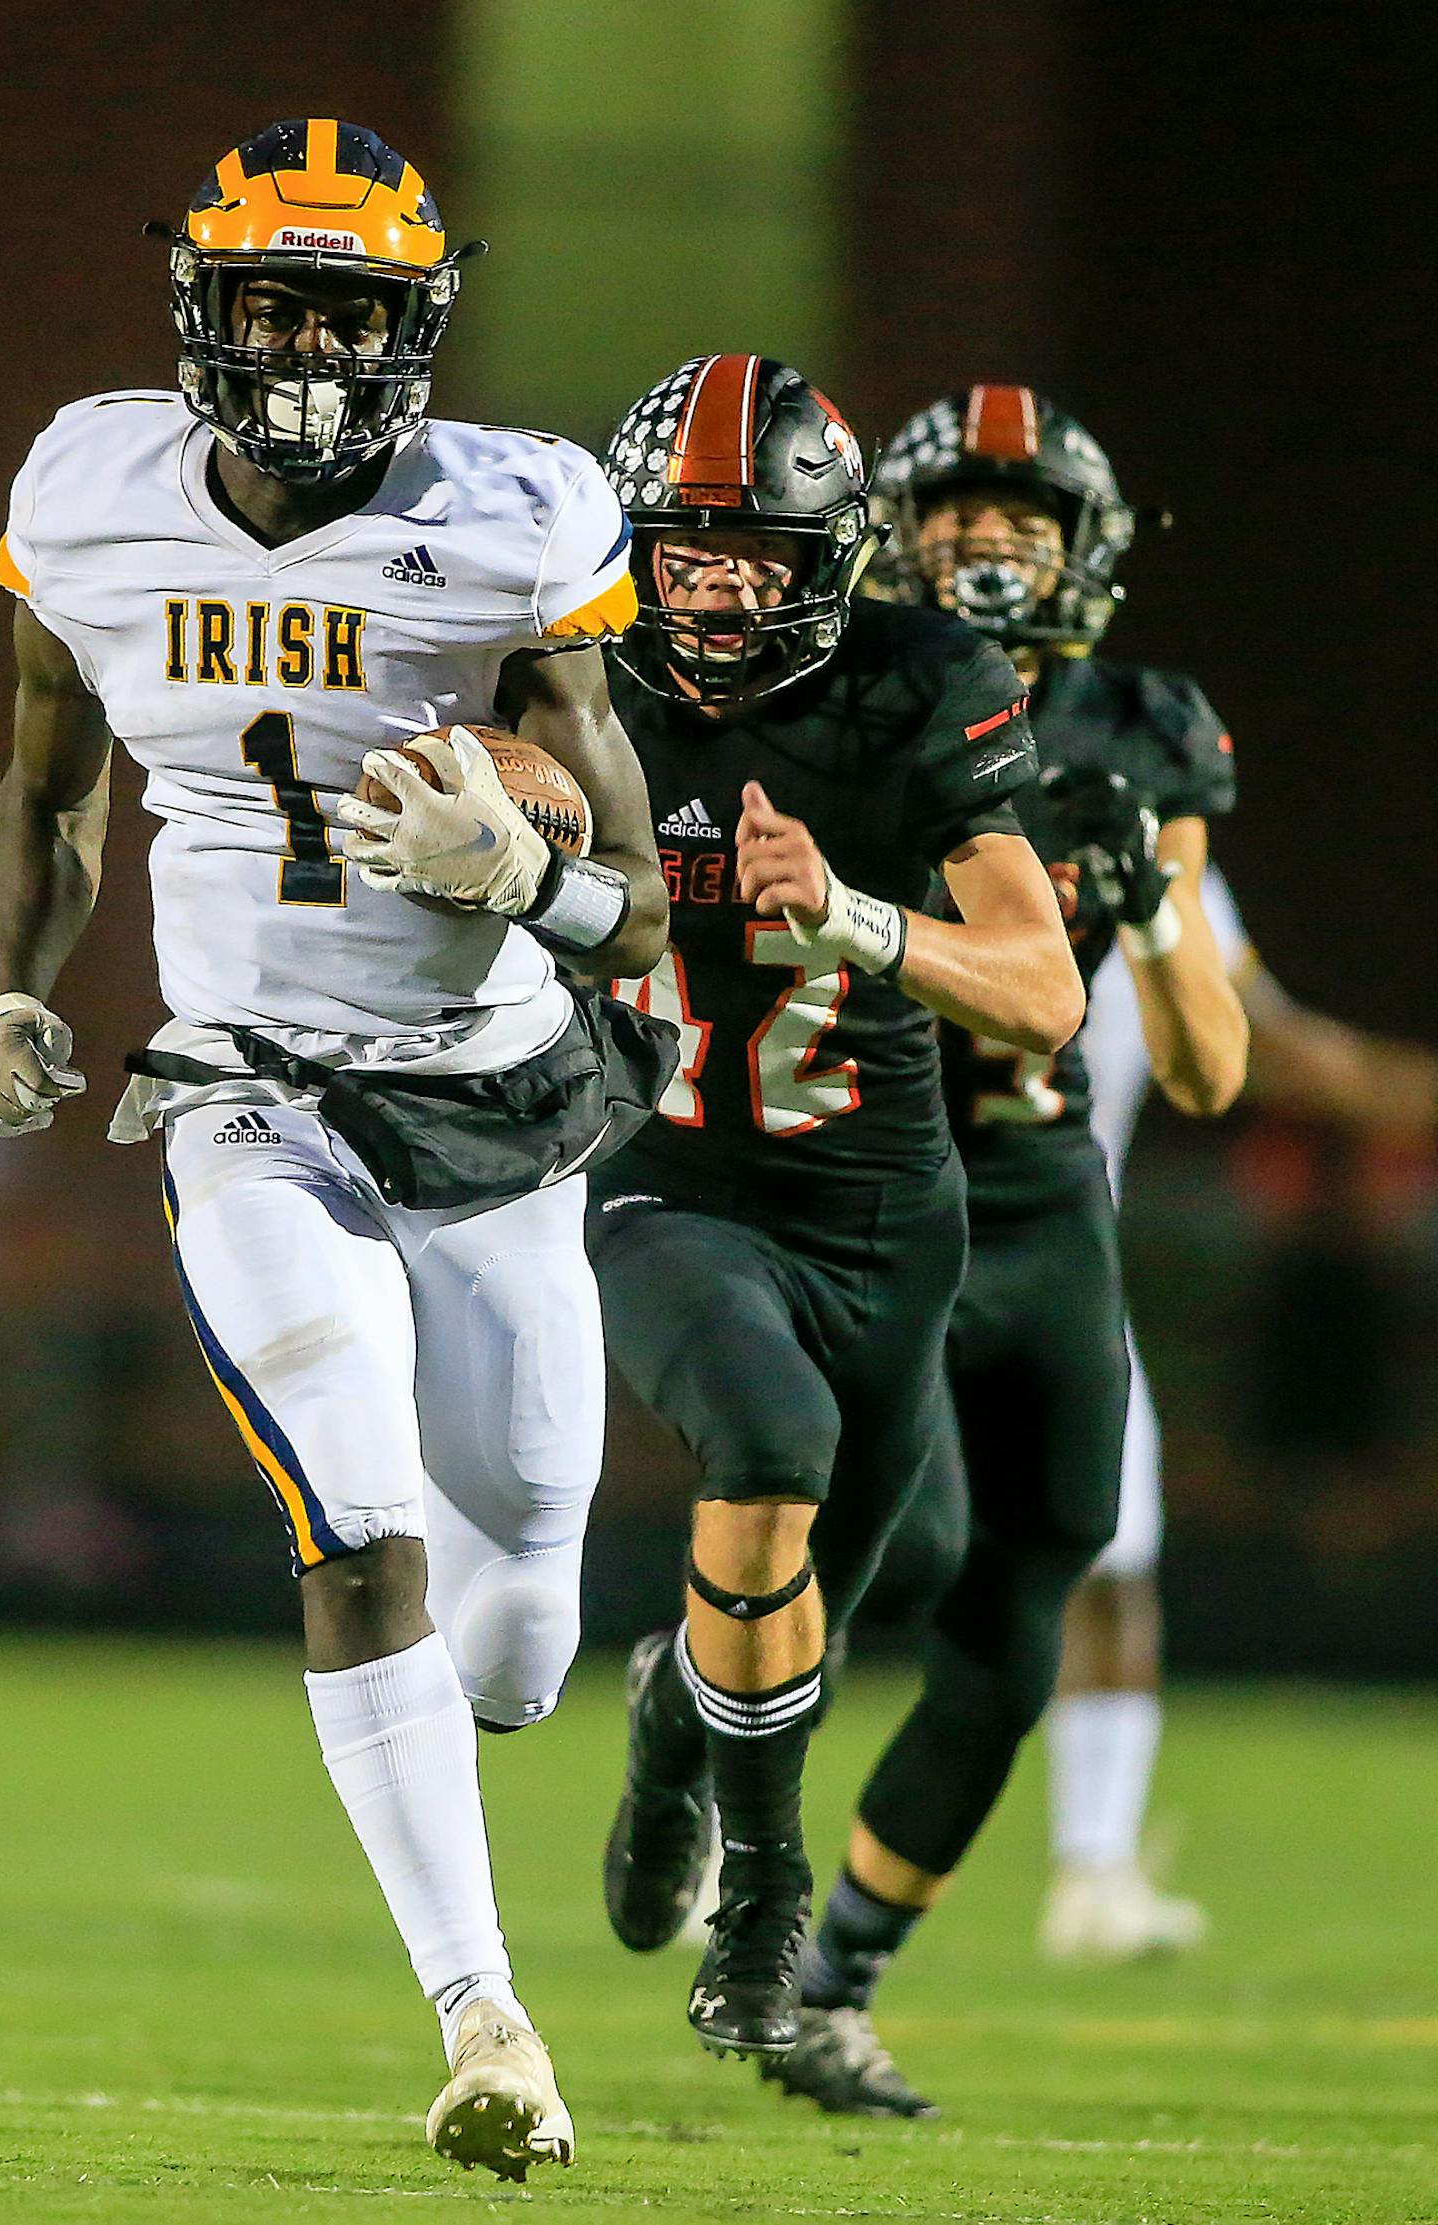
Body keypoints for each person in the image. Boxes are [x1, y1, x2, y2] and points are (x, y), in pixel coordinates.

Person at [0, 118, 668, 2181]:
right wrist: (2, 987)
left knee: (520, 1615)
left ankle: (565, 1697)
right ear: (201, 305)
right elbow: (51, 785)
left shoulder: (521, 516)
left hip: (501, 1097)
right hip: (252, 1087)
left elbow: (635, 884)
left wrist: (519, 869)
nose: (303, 346)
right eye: (273, 298)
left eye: (348, 310)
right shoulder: (89, 494)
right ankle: (487, 2013)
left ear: (419, 329)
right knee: (356, 1521)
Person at [740, 384, 1249, 2114]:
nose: (989, 545)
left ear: (1084, 551)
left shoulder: (1141, 732)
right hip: (872, 1177)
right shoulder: (849, 691)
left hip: (1041, 1208)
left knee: (1032, 1601)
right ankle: (711, 1732)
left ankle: (839, 1973)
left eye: (1024, 521)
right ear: (892, 527)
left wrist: (1165, 907)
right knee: (902, 1537)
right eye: (957, 514)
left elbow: (1204, 1066)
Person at [588, 354, 1084, 2069]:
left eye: (756, 558)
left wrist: (862, 917)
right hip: (672, 1178)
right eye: (687, 555)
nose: (716, 597)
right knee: (767, 1447)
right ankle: (765, 1903)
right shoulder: (574, 676)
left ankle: (669, 1734)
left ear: (836, 556)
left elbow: (1041, 990)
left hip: (884, 1208)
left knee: (815, 1597)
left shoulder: (921, 683)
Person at [1044, 862, 1438, 1960]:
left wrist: (1395, 1090)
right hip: (887, 1241)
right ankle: (714, 1831)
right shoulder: (909, 797)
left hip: (1065, 1264)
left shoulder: (1150, 851)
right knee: (801, 1551)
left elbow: (1253, 1036)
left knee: (1115, 1564)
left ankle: (1095, 1868)